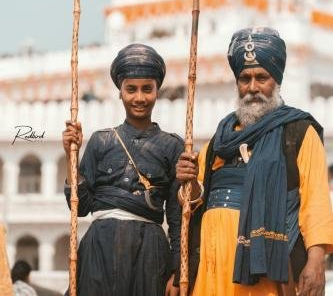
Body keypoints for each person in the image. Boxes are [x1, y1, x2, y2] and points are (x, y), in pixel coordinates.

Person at [176, 27, 333, 296]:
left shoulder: (297, 132)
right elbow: (194, 199)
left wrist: (317, 261)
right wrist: (188, 180)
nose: (252, 87)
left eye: (262, 77)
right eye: (244, 78)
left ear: (277, 81)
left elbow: (315, 202)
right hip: (211, 268)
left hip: (265, 270)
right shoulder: (221, 138)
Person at [63, 44, 183, 296]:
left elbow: (176, 215)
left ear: (156, 91)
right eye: (131, 89)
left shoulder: (172, 146)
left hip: (149, 253)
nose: (139, 98)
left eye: (146, 89)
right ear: (120, 92)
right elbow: (81, 206)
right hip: (100, 248)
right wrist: (70, 156)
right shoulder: (101, 141)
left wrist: (177, 271)